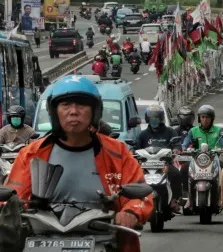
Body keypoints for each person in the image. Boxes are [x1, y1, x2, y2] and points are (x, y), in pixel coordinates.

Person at [5, 76, 153, 252]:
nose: (73, 111)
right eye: (65, 105)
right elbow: (13, 197)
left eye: (81, 105)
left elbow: (140, 194)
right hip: (42, 241)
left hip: (104, 240)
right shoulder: (32, 153)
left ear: (94, 111)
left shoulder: (117, 152)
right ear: (54, 111)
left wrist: (130, 213)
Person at [135, 106, 182, 213]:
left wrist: (176, 149)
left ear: (161, 118)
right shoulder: (143, 134)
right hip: (146, 166)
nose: (154, 119)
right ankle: (134, 203)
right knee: (134, 179)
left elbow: (177, 145)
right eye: (151, 117)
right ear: (147, 119)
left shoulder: (170, 132)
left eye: (156, 117)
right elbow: (135, 148)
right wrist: (131, 152)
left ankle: (174, 200)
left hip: (165, 165)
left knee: (176, 174)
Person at [179, 105, 223, 209]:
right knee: (183, 169)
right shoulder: (193, 131)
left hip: (213, 158)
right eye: (203, 117)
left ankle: (219, 198)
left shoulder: (219, 131)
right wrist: (182, 149)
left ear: (212, 118)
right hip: (196, 159)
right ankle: (187, 196)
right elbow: (185, 144)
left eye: (208, 117)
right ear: (199, 118)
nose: (205, 120)